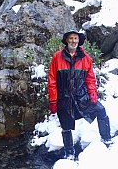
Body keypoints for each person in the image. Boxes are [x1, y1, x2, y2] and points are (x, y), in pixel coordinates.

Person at [48, 29, 112, 160]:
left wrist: (93, 93)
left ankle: (107, 140)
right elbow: (52, 80)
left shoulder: (86, 58)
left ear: (79, 41)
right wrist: (53, 100)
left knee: (101, 111)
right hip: (64, 98)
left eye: (75, 38)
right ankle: (69, 153)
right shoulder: (57, 57)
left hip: (82, 96)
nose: (73, 41)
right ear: (66, 40)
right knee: (65, 125)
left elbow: (90, 78)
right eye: (71, 38)